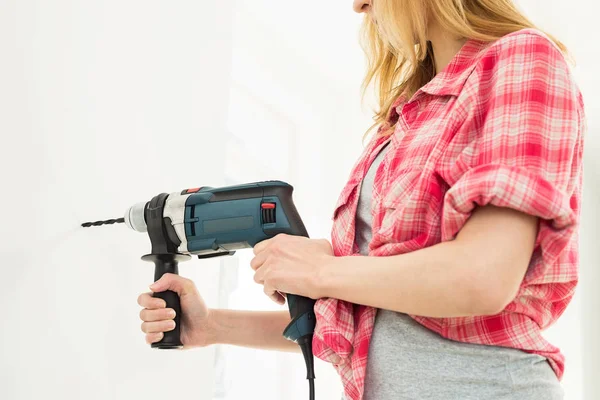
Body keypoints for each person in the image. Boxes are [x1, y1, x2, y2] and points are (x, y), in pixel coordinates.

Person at [137, 1, 586, 399]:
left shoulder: (522, 57)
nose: (357, 6)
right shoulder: (402, 121)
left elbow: (484, 278)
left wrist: (322, 269)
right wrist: (212, 325)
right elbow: (369, 326)